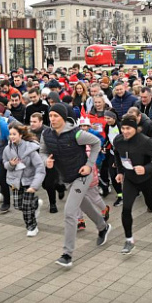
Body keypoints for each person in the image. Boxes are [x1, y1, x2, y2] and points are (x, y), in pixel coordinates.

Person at [40, 103, 112, 268]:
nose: (52, 119)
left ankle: (67, 254)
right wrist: (46, 161)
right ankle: (103, 227)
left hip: (83, 175)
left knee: (69, 212)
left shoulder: (77, 133)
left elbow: (96, 143)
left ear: (64, 118)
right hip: (67, 177)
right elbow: (42, 151)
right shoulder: (46, 134)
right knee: (83, 204)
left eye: (56, 116)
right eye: (50, 116)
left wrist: (89, 164)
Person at [113, 114, 152, 254]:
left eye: (128, 128)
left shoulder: (145, 141)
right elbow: (117, 155)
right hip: (130, 179)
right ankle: (129, 240)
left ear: (135, 129)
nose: (125, 131)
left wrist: (146, 168)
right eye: (123, 128)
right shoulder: (118, 140)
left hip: (146, 179)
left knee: (151, 204)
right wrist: (120, 172)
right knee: (126, 209)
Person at [2, 125, 46, 237]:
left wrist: (35, 185)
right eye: (10, 134)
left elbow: (40, 167)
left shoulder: (30, 149)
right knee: (18, 206)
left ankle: (32, 227)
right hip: (15, 182)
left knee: (26, 207)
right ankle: (35, 204)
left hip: (29, 181)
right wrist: (11, 164)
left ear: (20, 135)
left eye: (14, 134)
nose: (11, 137)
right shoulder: (7, 149)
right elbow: (5, 163)